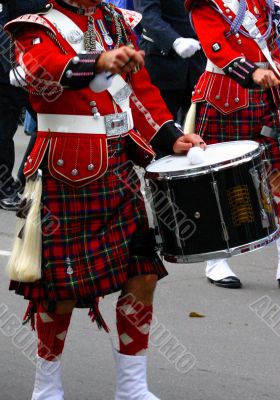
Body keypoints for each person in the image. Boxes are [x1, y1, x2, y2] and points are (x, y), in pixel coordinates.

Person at [5, 0, 204, 398]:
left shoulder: (112, 20)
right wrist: (99, 62)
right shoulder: (34, 25)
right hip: (65, 170)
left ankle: (132, 388)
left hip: (116, 165)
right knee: (59, 292)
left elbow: (139, 92)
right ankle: (46, 387)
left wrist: (168, 136)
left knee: (144, 274)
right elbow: (41, 70)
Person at [185, 0, 280, 289]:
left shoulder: (262, 4)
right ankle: (216, 260)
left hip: (264, 100)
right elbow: (216, 47)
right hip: (223, 99)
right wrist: (250, 72)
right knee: (219, 181)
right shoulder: (208, 4)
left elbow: (270, 53)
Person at [0, 0, 46, 203]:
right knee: (3, 133)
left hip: (38, 65)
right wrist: (12, 66)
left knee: (49, 124)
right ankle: (4, 188)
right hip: (7, 72)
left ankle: (25, 177)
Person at [133, 0, 205, 125]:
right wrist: (174, 41)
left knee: (197, 126)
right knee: (163, 124)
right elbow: (148, 15)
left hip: (197, 59)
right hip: (162, 62)